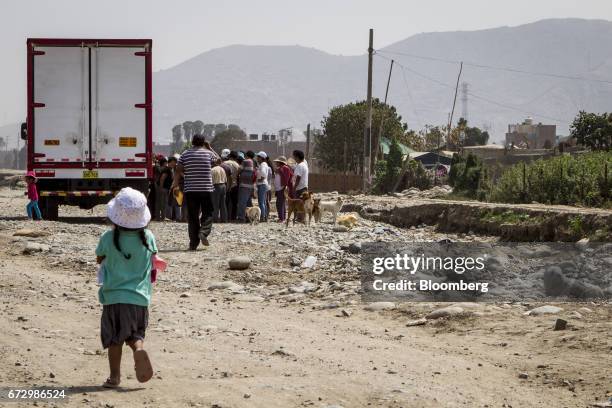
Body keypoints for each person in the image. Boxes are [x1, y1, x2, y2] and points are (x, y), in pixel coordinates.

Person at [96, 187, 157, 388]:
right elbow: (153, 259)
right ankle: (138, 348)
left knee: (115, 339)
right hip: (139, 299)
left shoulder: (107, 237)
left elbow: (99, 258)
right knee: (134, 334)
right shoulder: (148, 237)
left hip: (114, 298)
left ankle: (115, 377)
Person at [170, 134, 216, 250]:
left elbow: (178, 170)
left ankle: (193, 244)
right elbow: (219, 160)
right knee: (208, 213)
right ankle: (204, 232)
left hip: (190, 190)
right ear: (203, 142)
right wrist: (210, 148)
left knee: (192, 216)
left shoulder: (185, 154)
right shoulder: (208, 153)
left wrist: (175, 183)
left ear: (192, 142)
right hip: (206, 189)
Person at [236, 153, 256, 222]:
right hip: (250, 186)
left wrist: (237, 175)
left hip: (244, 185)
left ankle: (241, 218)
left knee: (242, 202)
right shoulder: (253, 162)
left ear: (247, 156)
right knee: (248, 202)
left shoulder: (245, 161)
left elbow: (239, 170)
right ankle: (250, 218)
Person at [273, 156, 293, 222]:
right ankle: (282, 217)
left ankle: (281, 218)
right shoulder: (280, 168)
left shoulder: (285, 168)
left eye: (277, 162)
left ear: (280, 162)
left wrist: (280, 171)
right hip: (279, 188)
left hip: (282, 188)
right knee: (281, 203)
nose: (276, 163)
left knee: (280, 203)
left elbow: (286, 179)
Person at [224, 151, 241, 221]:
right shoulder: (237, 165)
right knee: (234, 203)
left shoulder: (224, 163)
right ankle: (233, 218)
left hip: (226, 185)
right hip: (234, 185)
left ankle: (226, 217)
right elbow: (238, 176)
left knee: (225, 203)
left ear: (229, 156)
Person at [255, 151, 270, 222]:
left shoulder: (263, 164)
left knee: (261, 202)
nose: (257, 158)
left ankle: (262, 217)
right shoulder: (264, 164)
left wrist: (260, 179)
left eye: (258, 157)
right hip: (263, 184)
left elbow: (263, 174)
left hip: (262, 184)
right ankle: (265, 216)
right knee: (263, 201)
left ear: (261, 158)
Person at [166, 155, 181, 221]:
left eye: (174, 162)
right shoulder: (172, 169)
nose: (173, 164)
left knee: (177, 203)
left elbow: (175, 178)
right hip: (174, 187)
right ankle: (173, 217)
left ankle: (178, 217)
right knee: (172, 203)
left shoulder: (177, 168)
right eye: (172, 162)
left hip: (176, 187)